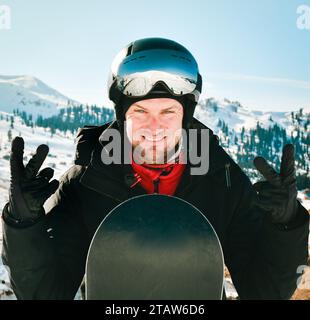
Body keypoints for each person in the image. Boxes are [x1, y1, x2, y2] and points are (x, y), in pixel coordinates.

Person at [1, 38, 309, 300]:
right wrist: (23, 224)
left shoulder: (221, 179)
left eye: (168, 112)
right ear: (122, 117)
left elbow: (266, 291)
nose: (155, 125)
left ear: (185, 118)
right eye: (141, 112)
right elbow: (44, 293)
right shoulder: (86, 182)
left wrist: (284, 227)